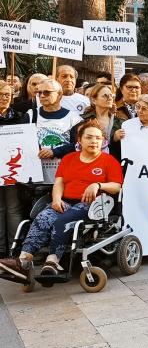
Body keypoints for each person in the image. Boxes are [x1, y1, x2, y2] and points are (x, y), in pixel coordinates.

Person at [0, 121, 123, 284]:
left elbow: (116, 186)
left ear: (103, 141)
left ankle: (53, 262)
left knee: (62, 221)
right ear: (79, 140)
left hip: (92, 205)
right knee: (43, 218)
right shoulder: (69, 159)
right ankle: (23, 261)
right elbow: (59, 183)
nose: (94, 141)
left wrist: (97, 185)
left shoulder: (108, 161)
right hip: (65, 201)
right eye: (89, 137)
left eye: (98, 138)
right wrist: (56, 199)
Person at [0, 82, 27, 258]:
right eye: (0, 94)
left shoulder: (20, 116)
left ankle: (14, 247)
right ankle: (1, 248)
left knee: (13, 208)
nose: (3, 98)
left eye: (6, 95)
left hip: (11, 168)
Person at [33, 79, 81, 160]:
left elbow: (78, 144)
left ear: (59, 94)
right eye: (39, 93)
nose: (42, 96)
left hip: (63, 168)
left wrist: (55, 151)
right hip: (37, 168)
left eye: (47, 92)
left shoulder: (74, 119)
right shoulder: (31, 115)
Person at [80, 83, 125, 158]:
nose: (110, 98)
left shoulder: (120, 122)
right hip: (90, 162)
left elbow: (123, 149)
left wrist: (115, 140)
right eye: (105, 95)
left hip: (112, 162)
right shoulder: (84, 120)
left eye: (111, 95)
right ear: (94, 100)